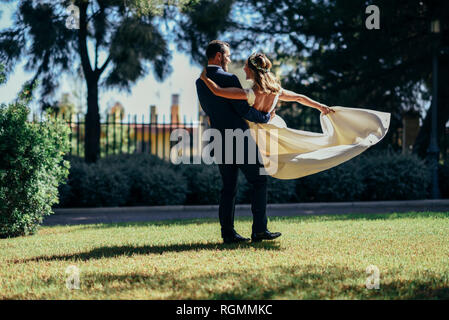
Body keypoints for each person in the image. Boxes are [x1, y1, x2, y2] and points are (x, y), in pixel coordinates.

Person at [199, 51, 391, 180]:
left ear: (252, 70)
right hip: (275, 131)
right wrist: (320, 106)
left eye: (246, 67)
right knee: (307, 146)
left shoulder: (249, 94)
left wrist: (204, 78)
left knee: (276, 164)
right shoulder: (276, 92)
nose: (243, 69)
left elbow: (217, 91)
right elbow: (299, 98)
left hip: (258, 137)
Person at [195, 40, 282, 244]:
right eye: (228, 55)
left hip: (218, 139)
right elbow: (243, 110)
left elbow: (209, 112)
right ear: (218, 56)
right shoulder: (229, 78)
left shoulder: (200, 82)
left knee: (228, 188)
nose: (230, 59)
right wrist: (266, 118)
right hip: (239, 138)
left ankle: (228, 233)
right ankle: (259, 230)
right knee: (259, 181)